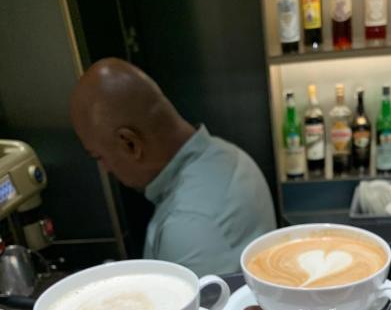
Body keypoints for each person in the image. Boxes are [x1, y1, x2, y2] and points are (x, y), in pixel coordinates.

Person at [70, 58, 276, 275]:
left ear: (130, 144)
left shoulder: (185, 226)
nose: (106, 169)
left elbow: (192, 308)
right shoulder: (231, 153)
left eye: (99, 156)